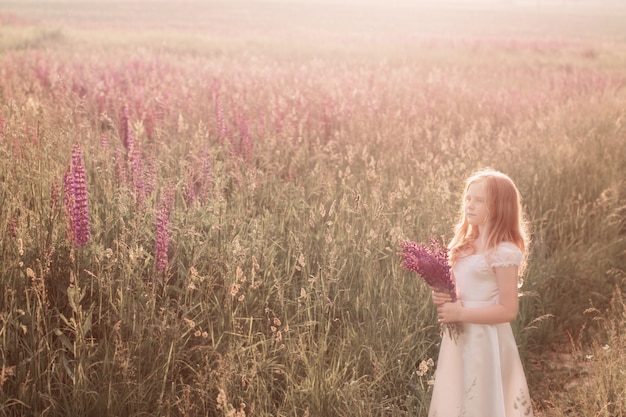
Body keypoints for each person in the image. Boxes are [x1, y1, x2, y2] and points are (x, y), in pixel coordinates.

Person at [428, 169, 534, 417]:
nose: (469, 205)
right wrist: (443, 296)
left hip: (485, 339)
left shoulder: (503, 251)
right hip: (458, 336)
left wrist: (460, 312)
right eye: (468, 198)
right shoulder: (462, 245)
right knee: (456, 395)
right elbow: (459, 291)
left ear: (499, 206)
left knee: (482, 399)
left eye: (479, 200)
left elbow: (508, 310)